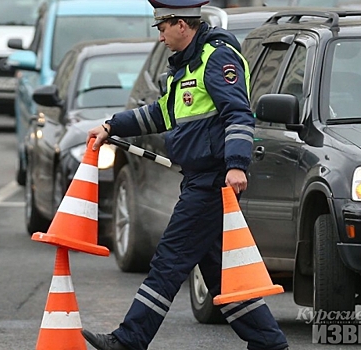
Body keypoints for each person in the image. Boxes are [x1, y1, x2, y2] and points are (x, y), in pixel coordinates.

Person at [81, 1, 290, 349]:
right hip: (198, 179)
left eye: (162, 29)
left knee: (168, 261)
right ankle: (269, 344)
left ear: (182, 24)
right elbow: (160, 114)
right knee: (223, 277)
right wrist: (111, 125)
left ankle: (129, 340)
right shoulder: (184, 68)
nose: (160, 38)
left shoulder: (217, 59)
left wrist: (236, 164)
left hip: (212, 182)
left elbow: (238, 114)